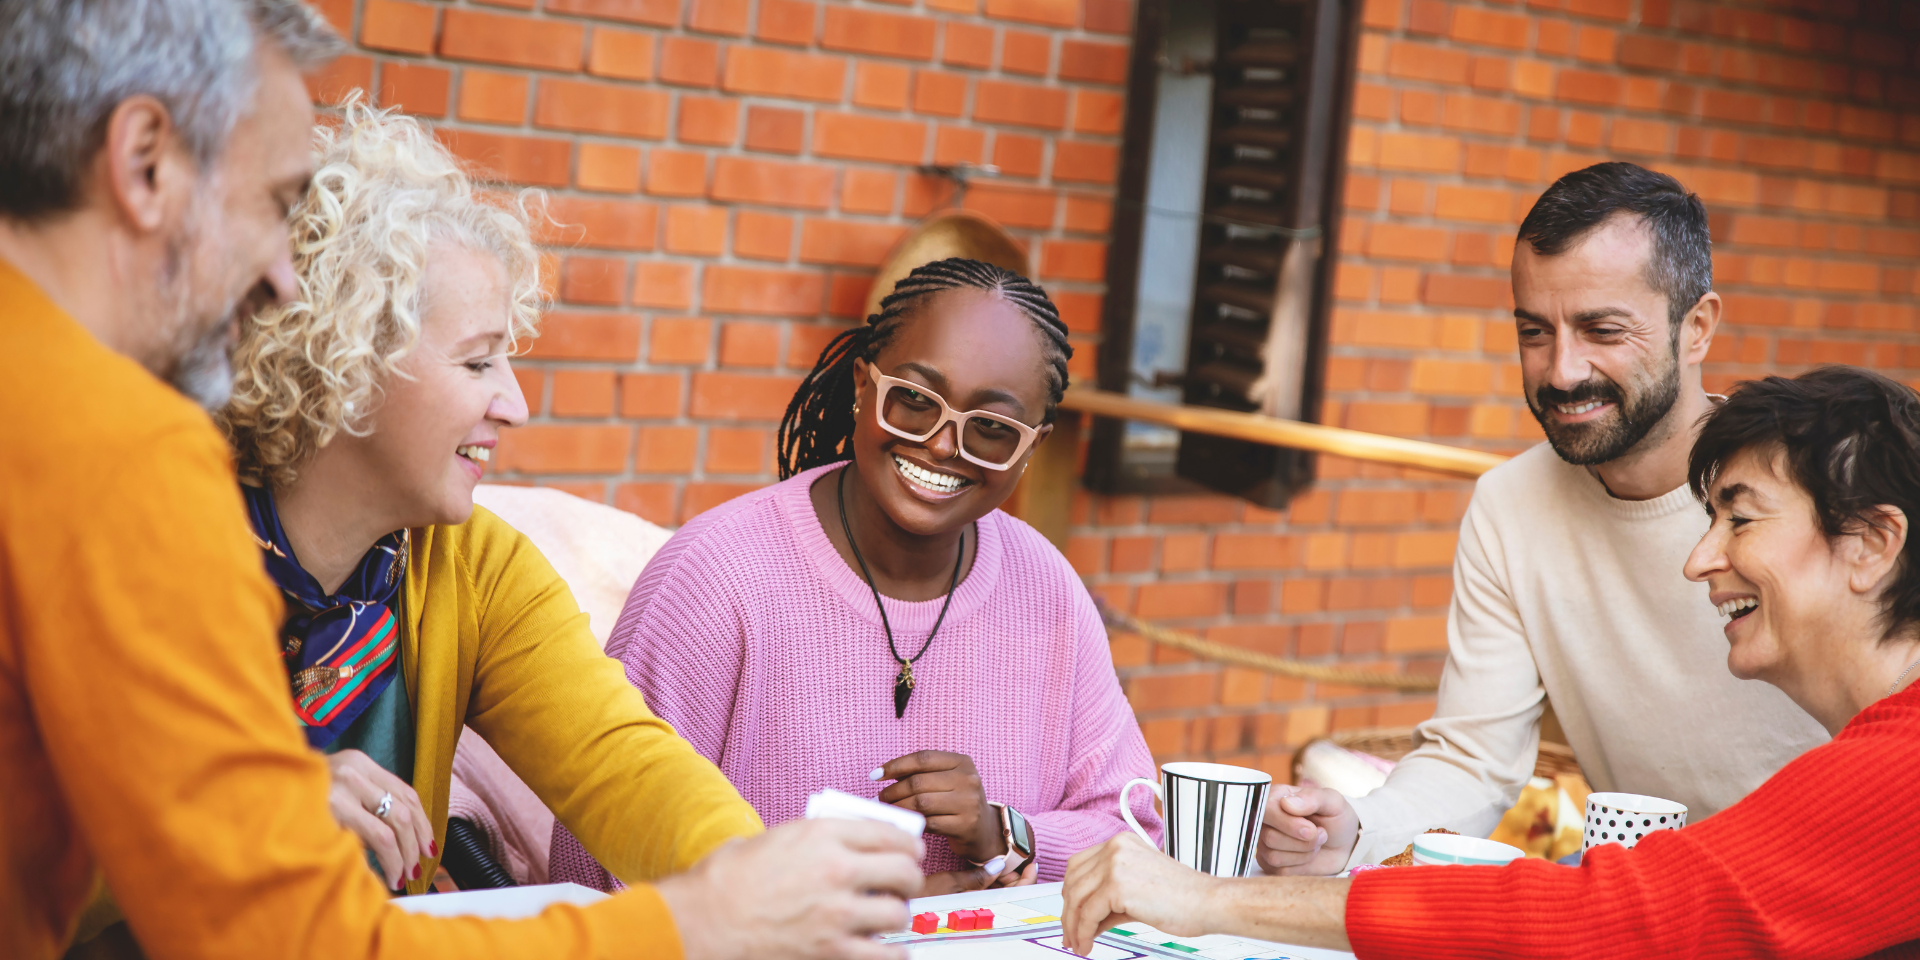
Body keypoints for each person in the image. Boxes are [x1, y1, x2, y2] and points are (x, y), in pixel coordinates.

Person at [0, 3, 920, 959]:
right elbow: (273, 927)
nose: (277, 278)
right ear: (343, 358)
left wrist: (770, 886)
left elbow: (625, 764)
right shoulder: (129, 472)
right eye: (479, 362)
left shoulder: (461, 565)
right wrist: (696, 924)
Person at [1060, 365, 1920, 959]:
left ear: (1872, 545)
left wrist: (1208, 900)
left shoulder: (1896, 769)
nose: (1699, 560)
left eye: (1741, 520)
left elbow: (1604, 918)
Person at [1257, 162, 1828, 874]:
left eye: (1601, 329)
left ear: (1698, 328)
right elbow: (1473, 761)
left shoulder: (1811, 493)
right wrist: (1357, 830)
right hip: (1654, 916)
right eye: (1535, 331)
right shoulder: (1510, 505)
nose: (1561, 370)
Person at [551, 258, 1162, 895]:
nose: (943, 446)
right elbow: (597, 856)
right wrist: (863, 917)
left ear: (1031, 448)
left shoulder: (1048, 591)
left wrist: (1006, 835)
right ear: (863, 387)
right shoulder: (715, 577)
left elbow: (1135, 832)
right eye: (916, 401)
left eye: (990, 428)